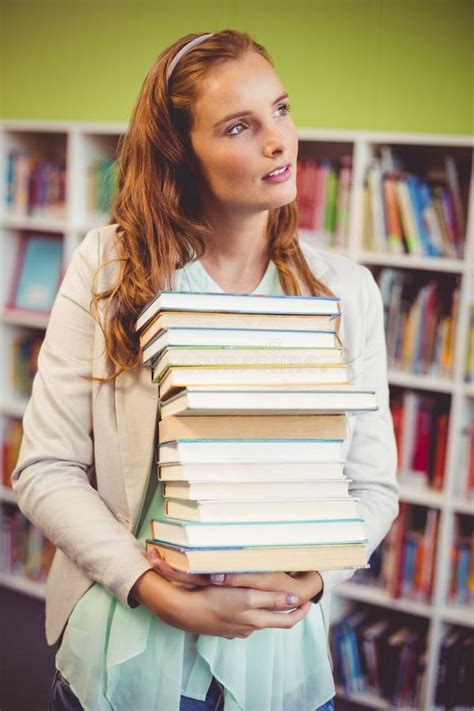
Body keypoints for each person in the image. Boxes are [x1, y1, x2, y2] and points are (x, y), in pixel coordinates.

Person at [12, 29, 399, 711]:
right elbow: (45, 468)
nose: (278, 141)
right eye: (239, 126)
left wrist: (308, 580)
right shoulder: (109, 267)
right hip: (125, 651)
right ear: (180, 155)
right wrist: (152, 588)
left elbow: (372, 486)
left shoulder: (348, 293)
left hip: (278, 665)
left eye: (280, 110)